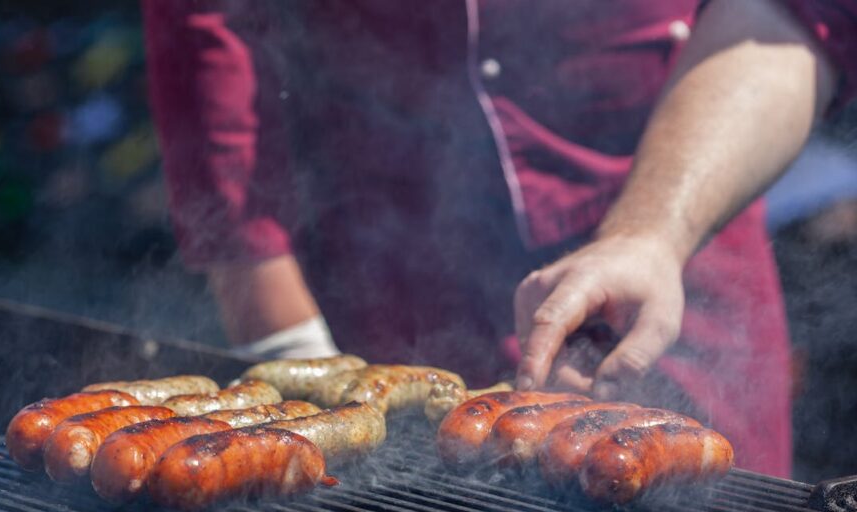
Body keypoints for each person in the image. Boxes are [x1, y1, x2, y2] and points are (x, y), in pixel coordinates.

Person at [142, 0, 857, 477]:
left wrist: (651, 233)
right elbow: (209, 17)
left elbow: (795, 13)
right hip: (379, 276)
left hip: (673, 257)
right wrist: (277, 332)